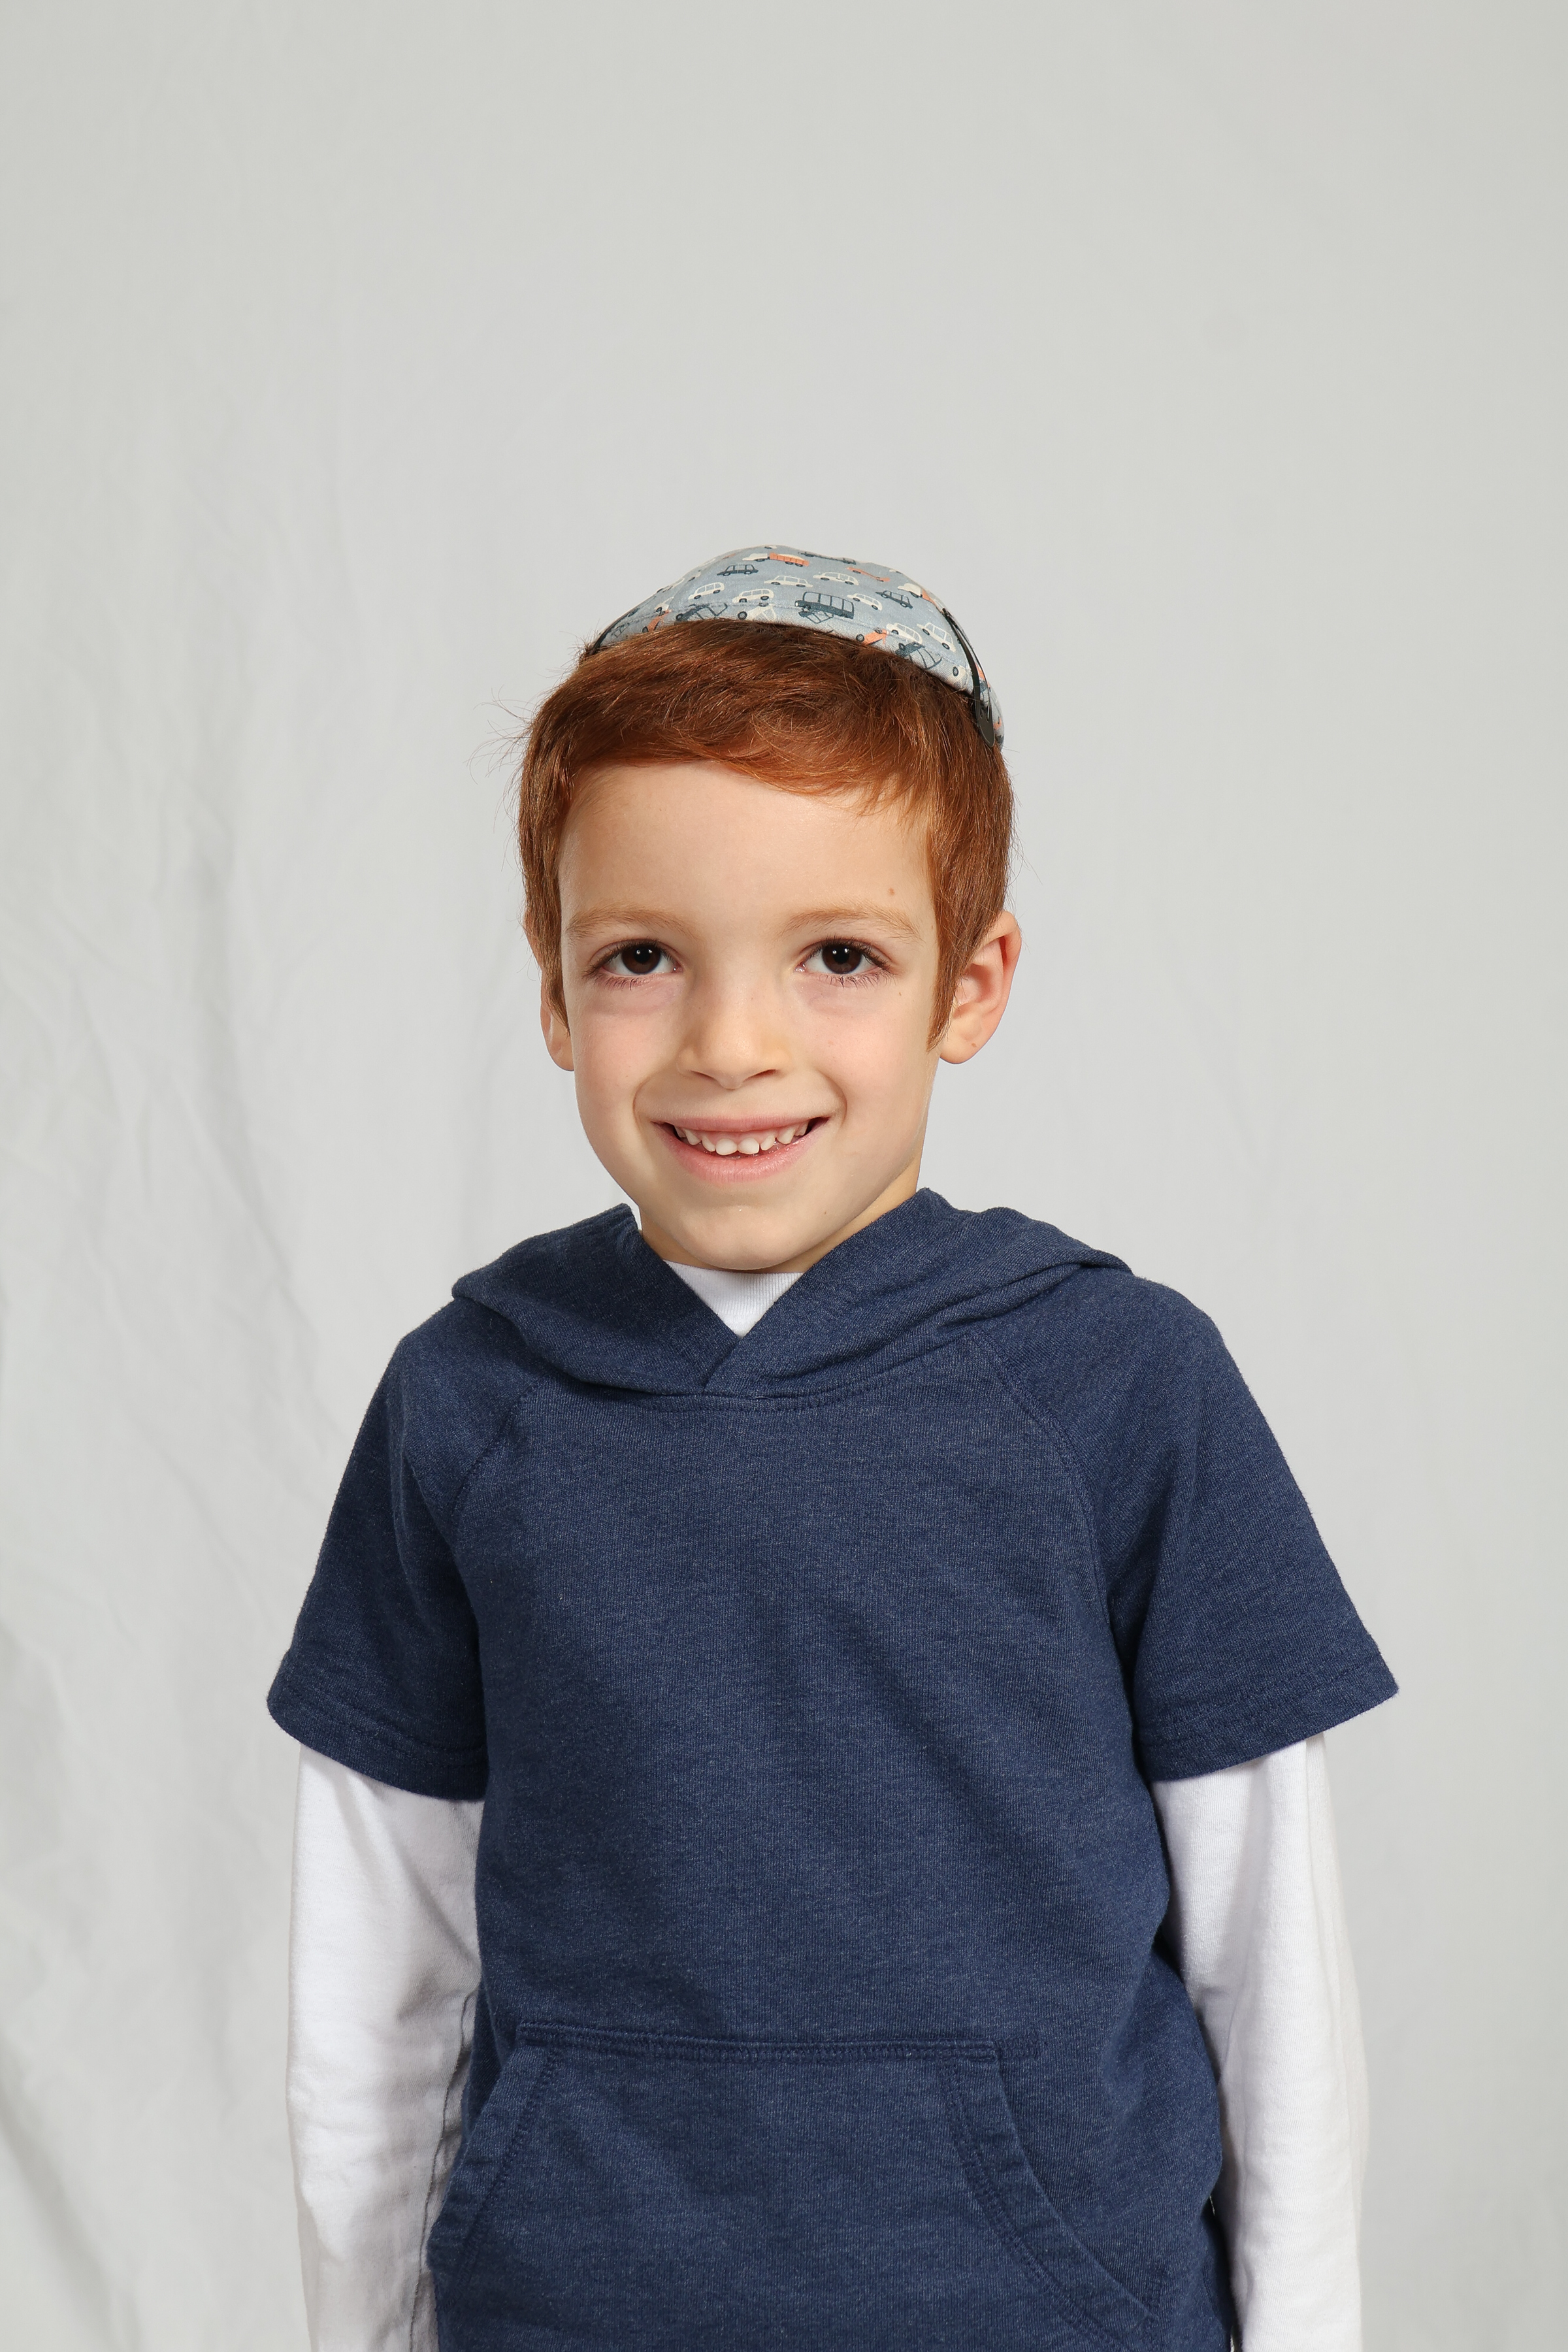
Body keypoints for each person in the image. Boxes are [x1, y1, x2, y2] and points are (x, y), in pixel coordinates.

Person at [269, 547, 1396, 2352]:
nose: (733, 1044)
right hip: (573, 2309)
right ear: (553, 990)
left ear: (973, 981)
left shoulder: (1121, 1385)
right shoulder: (468, 1402)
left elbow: (1271, 1961)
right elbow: (379, 1968)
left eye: (840, 957)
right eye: (642, 957)